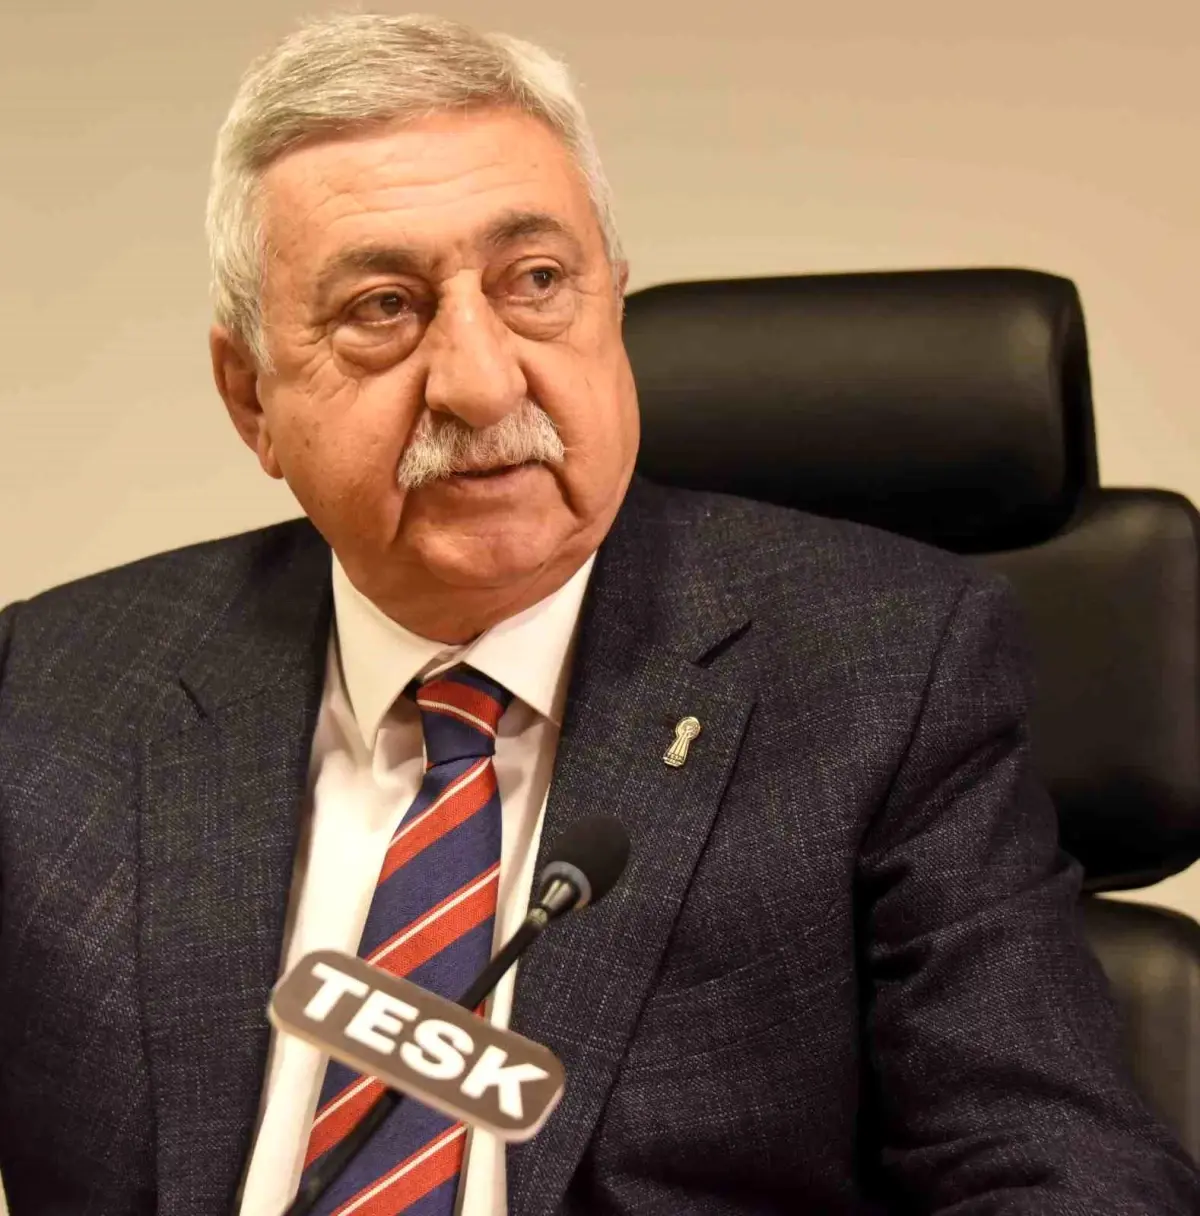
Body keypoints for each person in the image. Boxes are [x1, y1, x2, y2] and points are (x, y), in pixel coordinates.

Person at [0, 12, 1197, 1216]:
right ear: (252, 398)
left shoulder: (885, 671)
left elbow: (1060, 1168)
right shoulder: (48, 693)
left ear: (610, 308)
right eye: (383, 307)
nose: (481, 384)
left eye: (534, 283)